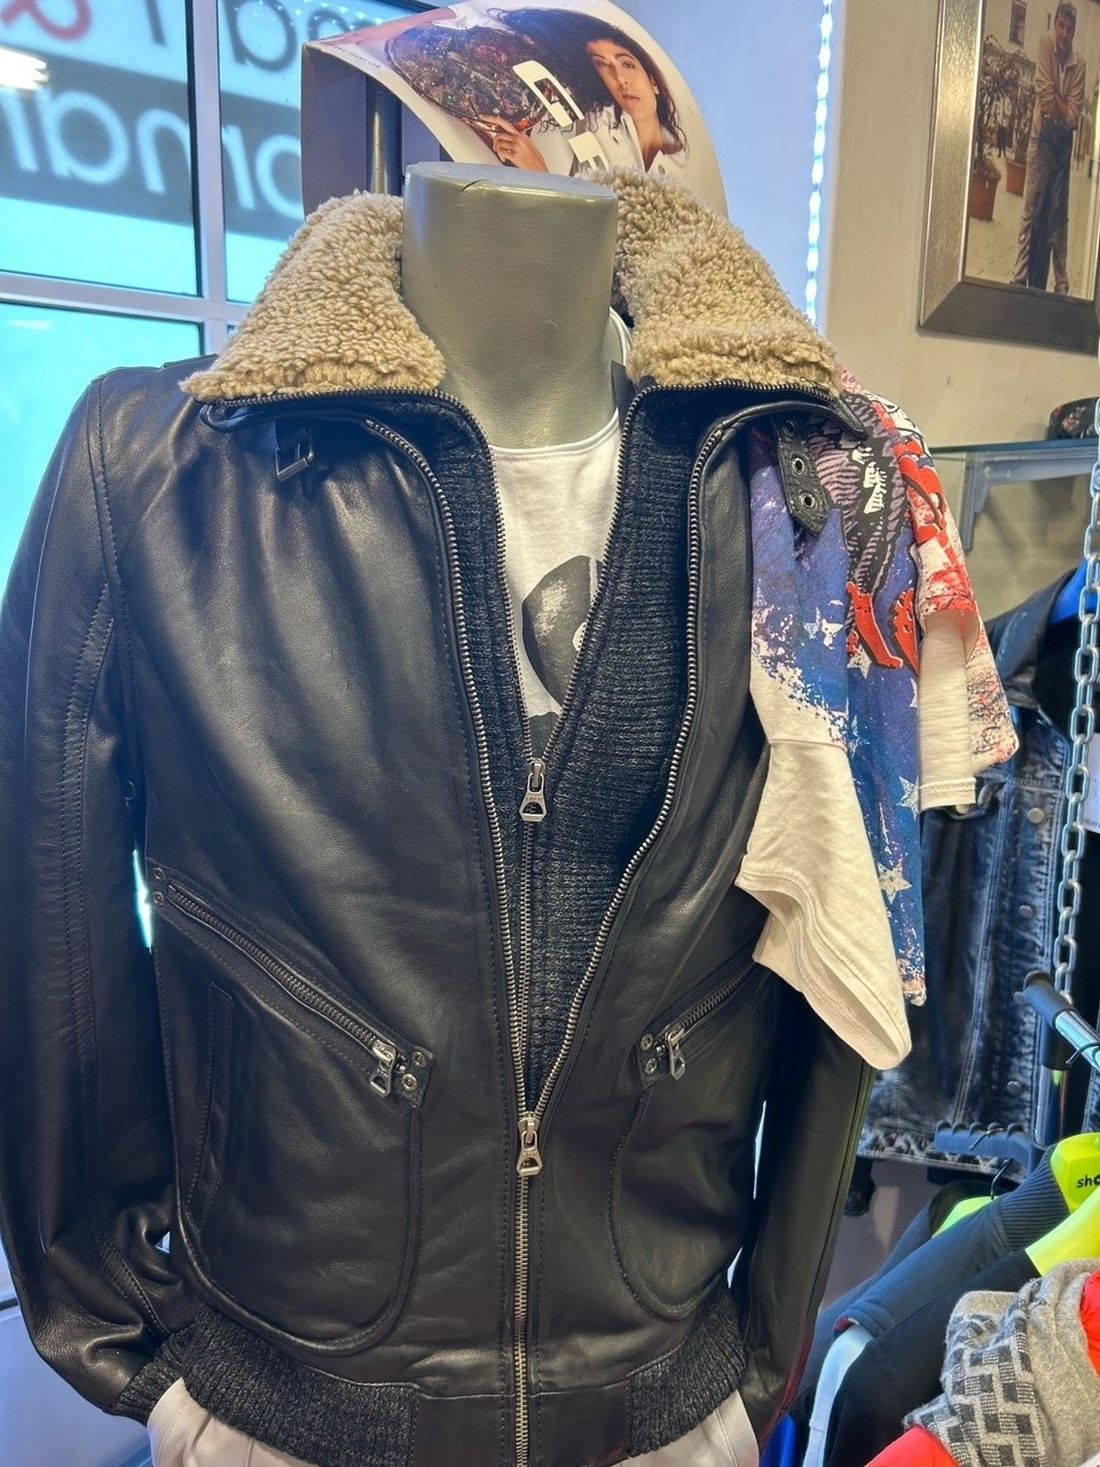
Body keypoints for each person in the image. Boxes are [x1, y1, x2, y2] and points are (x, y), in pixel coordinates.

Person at [483, 11, 689, 179]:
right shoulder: (596, 125)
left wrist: (539, 174)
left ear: (654, 82)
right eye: (602, 64)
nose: (620, 79)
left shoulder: (683, 165)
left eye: (627, 64)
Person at [1010, 1, 1087, 293]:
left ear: (1074, 32)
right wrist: (1061, 103)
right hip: (1040, 138)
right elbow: (1043, 96)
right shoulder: (1045, 44)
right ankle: (1019, 276)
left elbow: (1074, 117)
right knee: (1031, 207)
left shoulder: (1079, 64)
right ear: (1055, 24)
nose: (1064, 34)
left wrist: (1058, 101)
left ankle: (1061, 283)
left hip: (1062, 146)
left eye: (1069, 29)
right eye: (1061, 26)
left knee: (1059, 214)